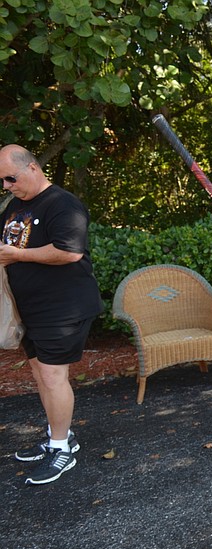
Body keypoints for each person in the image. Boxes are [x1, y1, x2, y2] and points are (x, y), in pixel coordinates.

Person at [0, 144, 103, 485]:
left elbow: (69, 252)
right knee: (40, 375)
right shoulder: (16, 206)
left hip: (62, 307)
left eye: (10, 178)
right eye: (2, 181)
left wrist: (15, 255)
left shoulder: (63, 204)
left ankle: (62, 449)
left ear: (32, 168)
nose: (6, 186)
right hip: (29, 309)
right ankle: (59, 436)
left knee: (52, 377)